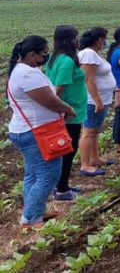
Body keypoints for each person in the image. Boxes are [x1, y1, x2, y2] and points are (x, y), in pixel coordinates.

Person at [7, 36, 76, 229]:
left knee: (33, 175)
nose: (47, 55)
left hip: (28, 130)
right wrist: (68, 109)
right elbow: (51, 101)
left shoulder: (22, 71)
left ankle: (36, 210)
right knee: (49, 175)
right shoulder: (27, 75)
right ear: (32, 54)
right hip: (37, 133)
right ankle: (31, 219)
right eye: (44, 53)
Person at [46, 26, 92, 200]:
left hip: (72, 110)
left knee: (64, 150)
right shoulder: (66, 61)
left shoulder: (55, 57)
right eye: (75, 37)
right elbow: (58, 89)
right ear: (68, 40)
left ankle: (60, 184)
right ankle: (62, 189)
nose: (77, 40)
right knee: (68, 151)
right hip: (71, 112)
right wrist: (64, 109)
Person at [78, 27, 116, 173]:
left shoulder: (94, 54)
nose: (106, 41)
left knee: (95, 130)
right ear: (100, 39)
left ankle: (95, 158)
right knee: (88, 131)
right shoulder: (88, 54)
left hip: (102, 98)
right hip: (92, 100)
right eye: (105, 38)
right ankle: (85, 165)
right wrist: (97, 100)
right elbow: (89, 80)